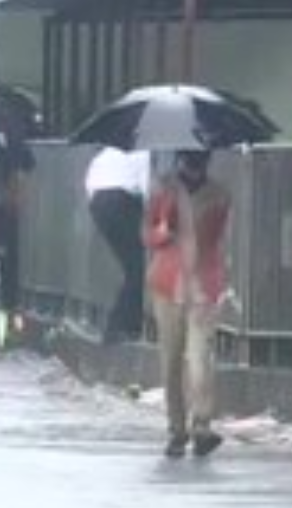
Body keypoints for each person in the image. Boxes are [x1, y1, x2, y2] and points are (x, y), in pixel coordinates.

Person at [144, 150, 231, 458]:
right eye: (189, 162)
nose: (194, 168)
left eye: (199, 162)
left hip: (203, 286)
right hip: (168, 282)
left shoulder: (219, 195)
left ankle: (202, 425)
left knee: (199, 357)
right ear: (180, 160)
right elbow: (148, 234)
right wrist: (161, 230)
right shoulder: (163, 189)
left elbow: (216, 237)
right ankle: (176, 429)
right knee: (170, 361)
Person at [84, 147, 150, 342]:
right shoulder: (145, 154)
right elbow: (147, 191)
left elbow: (89, 181)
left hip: (98, 201)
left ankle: (126, 322)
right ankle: (121, 324)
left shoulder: (107, 152)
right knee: (139, 267)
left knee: (132, 265)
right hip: (121, 200)